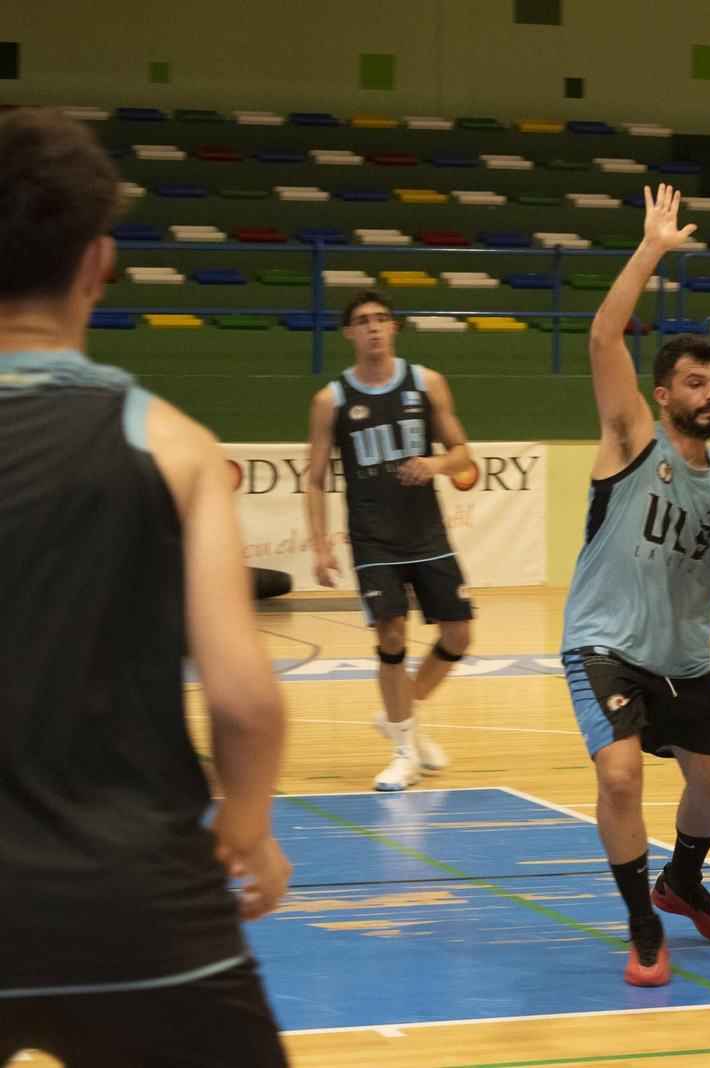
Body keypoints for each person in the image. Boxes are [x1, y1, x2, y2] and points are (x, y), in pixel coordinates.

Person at [0, 107, 291, 1066]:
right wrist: (247, 826)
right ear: (97, 264)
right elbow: (245, 704)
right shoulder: (174, 445)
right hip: (135, 906)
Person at [562, 185, 710, 986]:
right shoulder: (631, 439)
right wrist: (651, 249)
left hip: (682, 659)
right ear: (663, 395)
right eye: (694, 383)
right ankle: (641, 921)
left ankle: (681, 882)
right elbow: (602, 337)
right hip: (604, 644)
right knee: (620, 775)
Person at [305, 290, 475, 792]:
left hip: (427, 532)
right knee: (392, 636)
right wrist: (320, 546)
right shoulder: (331, 400)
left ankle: (403, 714)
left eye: (381, 318)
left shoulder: (426, 382)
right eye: (363, 320)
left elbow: (461, 453)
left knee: (459, 637)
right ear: (349, 333)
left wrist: (435, 464)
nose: (374, 327)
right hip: (373, 537)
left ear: (394, 327)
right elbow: (315, 479)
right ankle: (403, 753)